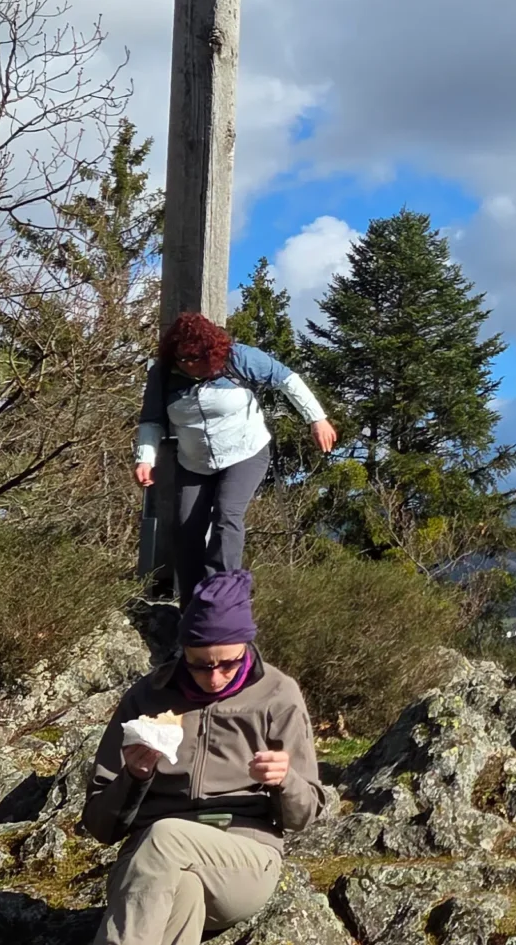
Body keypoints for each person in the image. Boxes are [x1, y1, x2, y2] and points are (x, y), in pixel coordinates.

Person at [83, 571, 321, 945]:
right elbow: (100, 826)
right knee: (184, 889)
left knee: (166, 836)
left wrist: (285, 780)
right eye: (200, 664)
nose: (214, 679)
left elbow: (303, 816)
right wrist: (135, 776)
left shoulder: (278, 695)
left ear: (247, 646)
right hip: (148, 864)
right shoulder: (146, 697)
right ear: (183, 651)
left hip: (244, 858)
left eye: (228, 664)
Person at [136, 312, 337, 603]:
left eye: (196, 358)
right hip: (194, 462)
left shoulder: (237, 358)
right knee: (185, 529)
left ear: (211, 351)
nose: (190, 365)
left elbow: (287, 379)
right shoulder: (163, 374)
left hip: (245, 453)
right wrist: (145, 458)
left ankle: (223, 599)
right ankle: (192, 609)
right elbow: (152, 420)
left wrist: (317, 419)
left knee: (226, 515)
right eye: (183, 358)